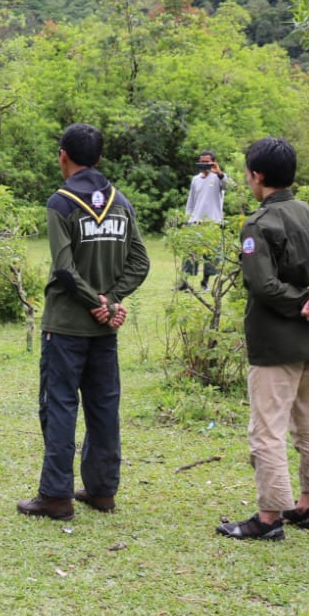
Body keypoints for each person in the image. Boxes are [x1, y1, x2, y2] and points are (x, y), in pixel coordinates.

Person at [216, 137, 309, 541]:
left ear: (256, 176)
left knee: (268, 429)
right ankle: (308, 506)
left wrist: (307, 299)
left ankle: (268, 517)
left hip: (276, 345)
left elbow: (262, 284)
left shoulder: (258, 224)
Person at [17, 123, 151, 521]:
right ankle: (102, 490)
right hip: (104, 330)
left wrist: (98, 302)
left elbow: (63, 270)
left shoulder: (60, 202)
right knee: (103, 406)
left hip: (66, 325)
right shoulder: (121, 201)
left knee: (59, 405)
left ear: (63, 155)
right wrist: (112, 302)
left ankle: (55, 496)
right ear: (100, 158)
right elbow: (141, 261)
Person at [181, 150, 226, 290]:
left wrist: (219, 173)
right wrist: (186, 220)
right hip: (195, 221)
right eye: (202, 161)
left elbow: (229, 186)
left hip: (213, 222)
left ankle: (205, 282)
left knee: (211, 256)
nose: (204, 164)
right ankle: (185, 283)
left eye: (207, 161)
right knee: (190, 253)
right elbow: (191, 201)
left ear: (213, 162)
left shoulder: (218, 178)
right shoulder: (196, 179)